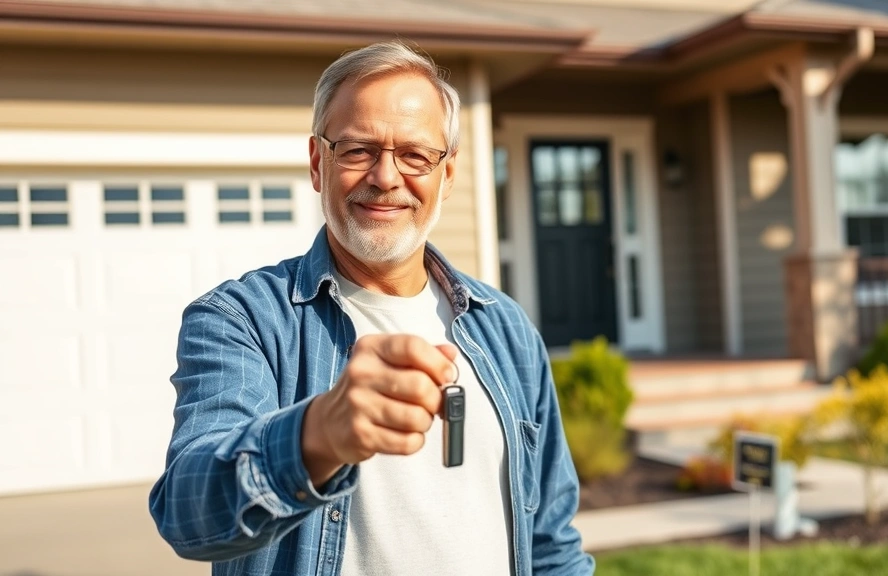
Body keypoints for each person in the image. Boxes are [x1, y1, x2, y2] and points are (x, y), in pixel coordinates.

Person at [148, 41, 594, 576]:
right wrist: (320, 433)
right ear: (319, 163)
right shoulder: (242, 320)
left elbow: (551, 543)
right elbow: (187, 512)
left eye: (415, 155)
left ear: (447, 176)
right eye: (358, 149)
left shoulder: (504, 326)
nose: (386, 177)